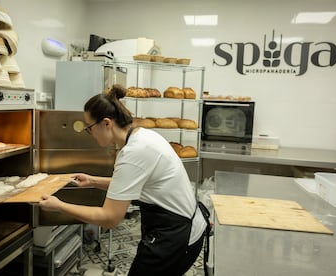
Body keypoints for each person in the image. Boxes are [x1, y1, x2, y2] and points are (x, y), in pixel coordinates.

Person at [39, 84, 210, 276]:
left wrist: (59, 206)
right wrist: (94, 181)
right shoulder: (142, 136)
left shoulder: (133, 153)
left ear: (106, 123)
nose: (90, 134)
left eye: (89, 128)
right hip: (181, 226)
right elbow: (132, 184)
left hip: (177, 235)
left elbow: (110, 218)